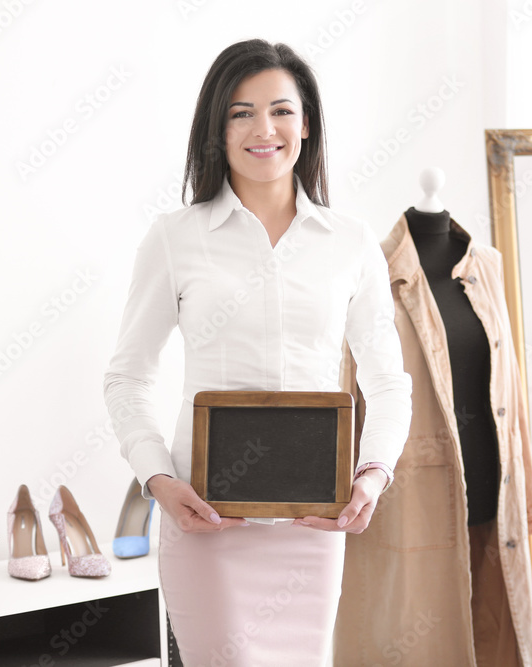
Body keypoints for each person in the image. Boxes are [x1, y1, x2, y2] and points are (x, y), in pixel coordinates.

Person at [102, 38, 411, 666]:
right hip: (208, 523)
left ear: (307, 124)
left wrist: (372, 476)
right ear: (216, 128)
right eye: (241, 112)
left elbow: (387, 382)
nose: (263, 129)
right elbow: (127, 377)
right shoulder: (174, 239)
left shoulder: (350, 242)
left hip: (311, 529)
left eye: (281, 110)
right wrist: (159, 480)